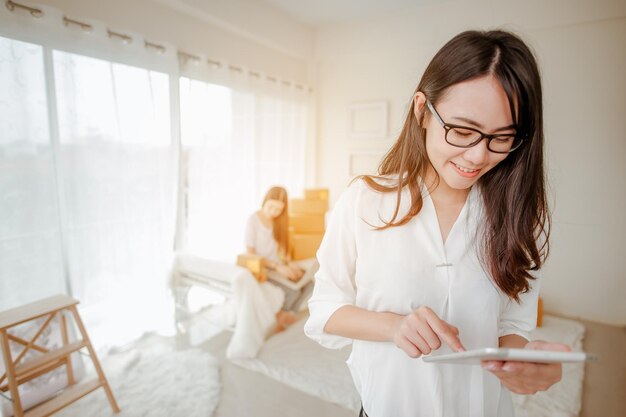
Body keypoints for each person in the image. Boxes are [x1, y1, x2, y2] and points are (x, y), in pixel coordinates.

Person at [304, 30, 571, 417]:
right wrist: (393, 327)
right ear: (421, 111)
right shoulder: (364, 202)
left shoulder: (517, 218)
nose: (477, 155)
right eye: (462, 131)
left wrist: (521, 363)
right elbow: (324, 310)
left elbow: (514, 323)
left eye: (501, 138)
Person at [245, 186, 316, 329]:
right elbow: (250, 255)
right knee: (293, 291)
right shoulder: (253, 220)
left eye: (278, 210)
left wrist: (290, 265)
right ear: (264, 201)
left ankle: (289, 314)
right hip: (264, 268)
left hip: (279, 266)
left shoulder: (279, 222)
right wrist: (278, 267)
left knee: (309, 284)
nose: (273, 212)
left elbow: (283, 251)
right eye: (271, 207)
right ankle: (282, 315)